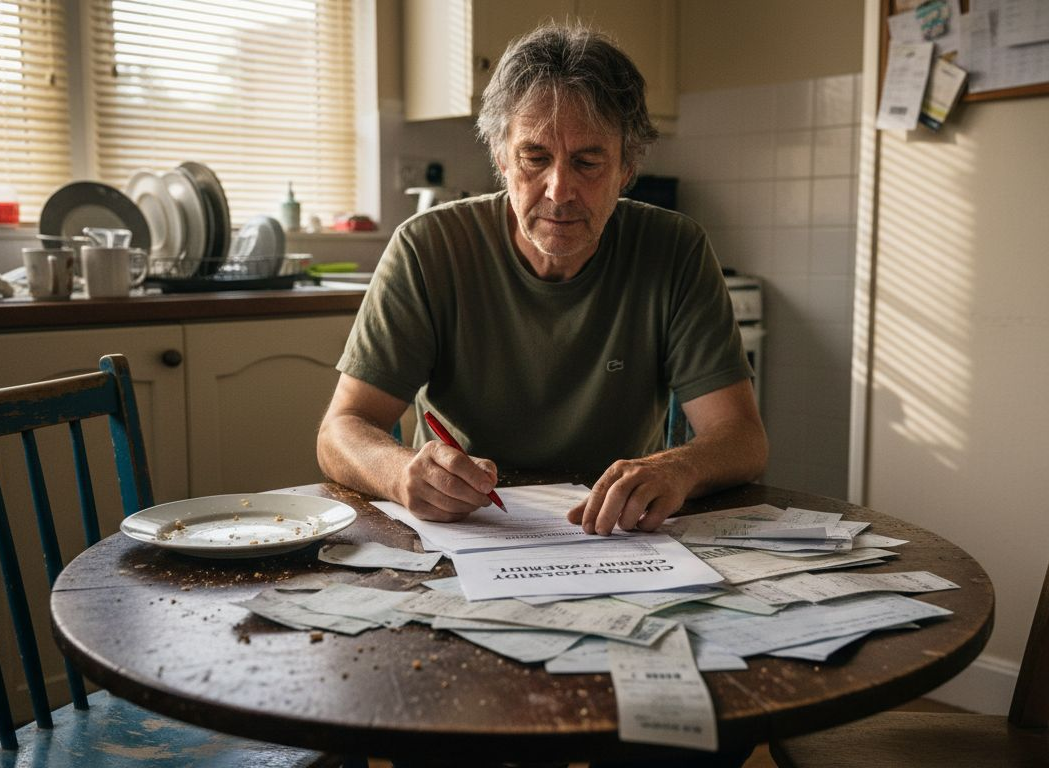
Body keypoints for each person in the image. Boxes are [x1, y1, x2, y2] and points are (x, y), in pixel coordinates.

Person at [317, 23, 767, 536]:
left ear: (627, 166)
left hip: (615, 533)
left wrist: (676, 467)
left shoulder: (676, 249)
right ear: (502, 157)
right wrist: (401, 474)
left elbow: (742, 439)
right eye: (535, 158)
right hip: (470, 530)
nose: (559, 190)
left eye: (588, 161)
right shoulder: (428, 247)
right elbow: (341, 429)